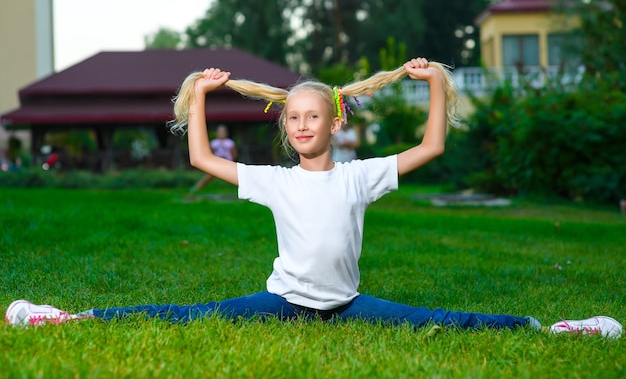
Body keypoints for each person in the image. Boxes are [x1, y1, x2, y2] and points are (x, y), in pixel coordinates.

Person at [5, 58, 623, 339]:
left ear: (335, 122)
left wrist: (435, 82)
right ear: (285, 128)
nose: (302, 125)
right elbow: (201, 158)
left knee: (438, 322)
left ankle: (557, 329)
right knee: (189, 312)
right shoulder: (277, 180)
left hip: (348, 305)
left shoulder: (359, 176)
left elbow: (431, 146)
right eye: (292, 118)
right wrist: (198, 95)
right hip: (281, 302)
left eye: (313, 116)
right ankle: (69, 317)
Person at [190, 124, 237, 192]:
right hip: (217, 162)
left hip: (227, 162)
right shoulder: (214, 143)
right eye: (220, 132)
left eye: (223, 132)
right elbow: (211, 154)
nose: (221, 133)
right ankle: (197, 189)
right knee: (208, 176)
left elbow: (234, 154)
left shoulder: (230, 143)